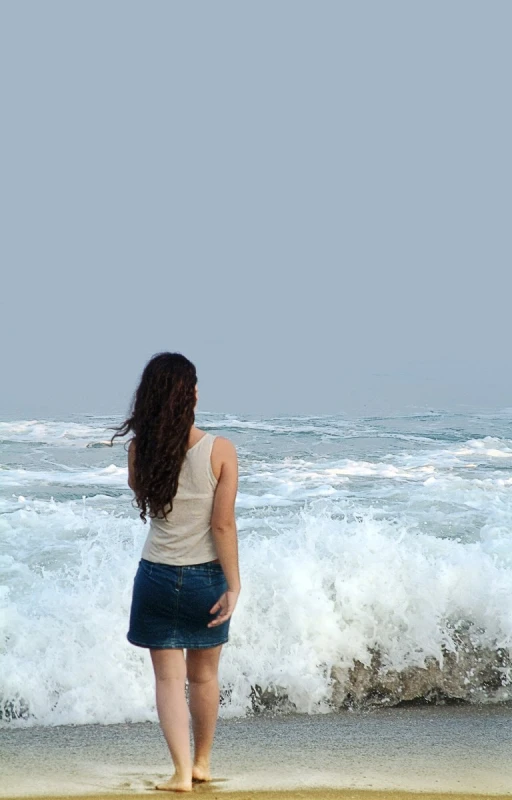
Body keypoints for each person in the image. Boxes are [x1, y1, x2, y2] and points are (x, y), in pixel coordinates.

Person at [111, 352, 240, 793]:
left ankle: (181, 773)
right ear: (189, 395)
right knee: (202, 676)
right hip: (206, 577)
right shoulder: (220, 451)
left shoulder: (138, 451)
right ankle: (202, 763)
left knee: (167, 679)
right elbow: (221, 524)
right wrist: (234, 585)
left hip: (157, 577)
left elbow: (141, 493)